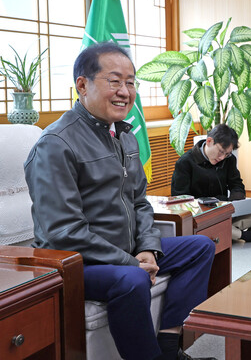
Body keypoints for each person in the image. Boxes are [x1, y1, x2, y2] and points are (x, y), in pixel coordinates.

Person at [24, 42, 215, 360]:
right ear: (82, 85)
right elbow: (63, 233)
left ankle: (169, 347)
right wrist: (131, 262)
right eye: (114, 81)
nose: (125, 91)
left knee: (200, 248)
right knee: (131, 279)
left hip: (125, 252)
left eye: (130, 82)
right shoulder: (55, 145)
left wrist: (148, 248)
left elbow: (140, 201)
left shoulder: (125, 135)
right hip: (75, 263)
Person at [171, 124, 251, 242]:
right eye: (221, 152)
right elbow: (180, 199)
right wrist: (206, 205)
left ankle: (225, 233)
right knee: (205, 227)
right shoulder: (185, 162)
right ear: (209, 141)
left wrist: (235, 201)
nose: (222, 157)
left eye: (227, 154)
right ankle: (246, 236)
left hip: (224, 210)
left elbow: (237, 185)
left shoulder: (229, 160)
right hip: (200, 217)